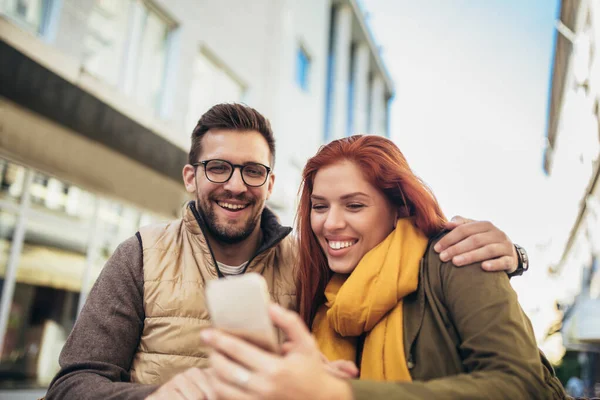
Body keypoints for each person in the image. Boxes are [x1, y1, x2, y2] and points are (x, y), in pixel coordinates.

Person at [46, 104, 527, 400]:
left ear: (270, 183)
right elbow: (70, 386)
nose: (236, 185)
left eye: (253, 171)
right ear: (191, 177)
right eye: (217, 168)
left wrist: (512, 255)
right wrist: (156, 397)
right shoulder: (140, 255)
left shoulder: (310, 265)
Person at [199, 134, 567, 400]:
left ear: (399, 207)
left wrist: (339, 392)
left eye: (354, 206)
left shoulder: (457, 258)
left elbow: (521, 385)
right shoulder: (322, 295)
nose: (330, 224)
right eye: (321, 206)